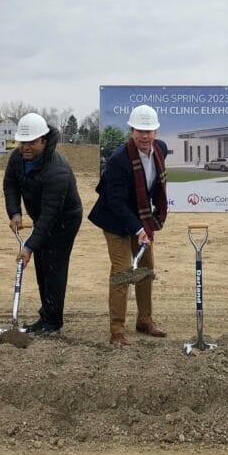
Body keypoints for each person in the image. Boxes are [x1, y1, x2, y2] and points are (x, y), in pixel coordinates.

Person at [88, 104, 168, 345]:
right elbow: (115, 201)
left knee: (146, 268)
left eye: (150, 131)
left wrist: (149, 223)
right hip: (114, 220)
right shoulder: (119, 160)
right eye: (140, 131)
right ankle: (117, 329)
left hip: (140, 218)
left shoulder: (160, 151)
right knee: (123, 271)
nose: (145, 136)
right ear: (132, 130)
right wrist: (139, 229)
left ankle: (144, 320)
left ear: (155, 132)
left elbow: (155, 189)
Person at [2, 113, 83, 334]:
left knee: (54, 267)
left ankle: (53, 322)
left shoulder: (57, 170)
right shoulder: (18, 158)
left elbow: (49, 216)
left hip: (64, 218)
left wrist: (28, 247)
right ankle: (46, 314)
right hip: (42, 217)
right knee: (41, 266)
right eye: (23, 142)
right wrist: (15, 212)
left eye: (32, 142)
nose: (26, 147)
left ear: (43, 141)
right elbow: (10, 184)